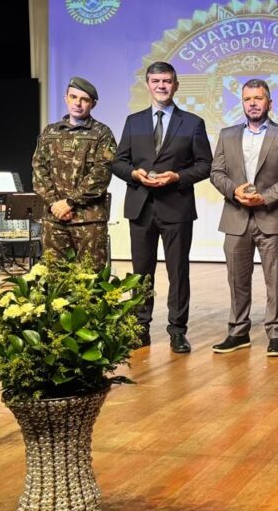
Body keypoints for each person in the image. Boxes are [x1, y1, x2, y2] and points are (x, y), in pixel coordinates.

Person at [112, 62, 213, 352]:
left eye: (167, 81)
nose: (161, 86)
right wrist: (133, 174)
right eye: (156, 80)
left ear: (176, 84)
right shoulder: (134, 121)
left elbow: (205, 165)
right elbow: (119, 162)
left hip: (176, 207)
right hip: (141, 207)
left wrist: (178, 177)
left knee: (178, 272)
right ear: (148, 84)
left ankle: (177, 331)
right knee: (141, 272)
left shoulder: (192, 123)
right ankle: (140, 327)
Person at [209, 79, 278, 357]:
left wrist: (266, 197)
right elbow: (216, 173)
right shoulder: (227, 134)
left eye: (259, 98)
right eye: (248, 99)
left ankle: (276, 333)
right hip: (236, 217)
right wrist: (234, 191)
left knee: (275, 279)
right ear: (242, 103)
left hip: (272, 216)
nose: (253, 103)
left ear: (270, 103)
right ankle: (238, 332)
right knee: (237, 279)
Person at [31, 76, 116, 269]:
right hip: (54, 219)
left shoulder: (102, 133)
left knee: (91, 278)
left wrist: (69, 203)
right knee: (54, 278)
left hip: (88, 220)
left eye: (84, 99)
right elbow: (38, 169)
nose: (78, 103)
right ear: (66, 98)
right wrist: (55, 204)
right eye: (73, 97)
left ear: (93, 104)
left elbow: (101, 174)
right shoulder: (50, 132)